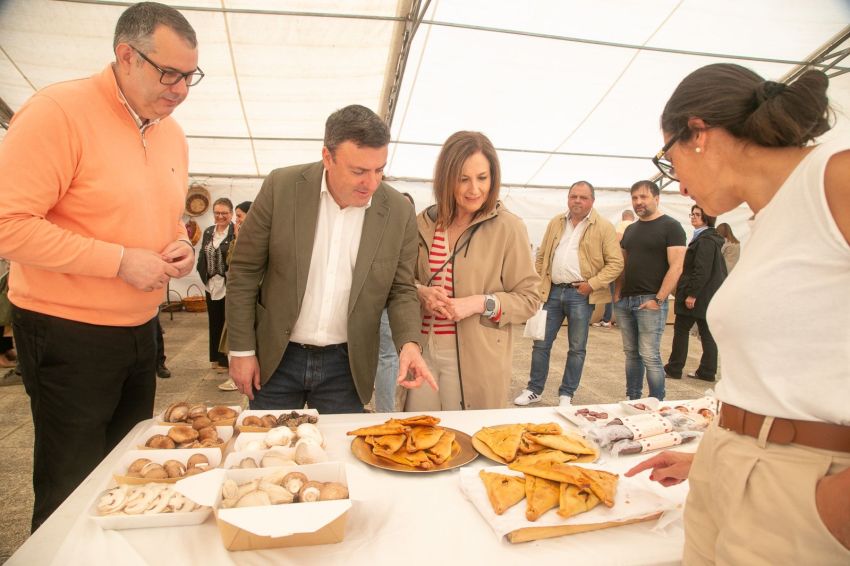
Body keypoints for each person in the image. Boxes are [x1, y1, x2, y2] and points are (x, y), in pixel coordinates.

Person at [626, 63, 850, 564]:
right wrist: (713, 453)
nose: (678, 185)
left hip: (804, 486)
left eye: (670, 159)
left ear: (698, 133)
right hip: (728, 464)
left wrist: (830, 508)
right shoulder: (762, 221)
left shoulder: (835, 175)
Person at [0, 2, 200, 531]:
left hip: (140, 332)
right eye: (170, 73)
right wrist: (116, 262)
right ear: (125, 56)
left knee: (129, 475)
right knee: (70, 486)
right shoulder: (57, 112)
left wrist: (179, 243)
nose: (181, 89)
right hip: (67, 333)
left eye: (190, 77)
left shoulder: (170, 131)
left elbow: (166, 217)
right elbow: (9, 224)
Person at [226, 105, 435, 414]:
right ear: (327, 157)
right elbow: (243, 270)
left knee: (338, 456)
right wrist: (241, 350)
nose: (372, 183)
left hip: (346, 365)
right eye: (359, 171)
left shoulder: (397, 210)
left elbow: (401, 288)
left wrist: (409, 344)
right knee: (268, 455)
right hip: (277, 357)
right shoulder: (281, 187)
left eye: (380, 170)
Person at [407, 131, 539, 411]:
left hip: (476, 359)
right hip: (423, 352)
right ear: (446, 178)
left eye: (482, 178)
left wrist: (479, 303)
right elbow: (402, 281)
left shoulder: (508, 227)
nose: (474, 189)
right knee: (418, 439)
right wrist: (421, 292)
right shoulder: (424, 223)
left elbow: (529, 298)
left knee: (466, 442)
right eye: (463, 179)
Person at [514, 181, 622, 407]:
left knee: (577, 347)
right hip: (552, 292)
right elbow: (542, 255)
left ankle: (567, 394)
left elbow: (616, 263)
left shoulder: (603, 226)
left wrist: (591, 284)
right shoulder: (556, 222)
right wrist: (539, 282)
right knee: (540, 343)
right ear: (568, 198)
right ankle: (534, 389)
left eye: (583, 197)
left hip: (581, 295)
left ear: (592, 201)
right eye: (574, 196)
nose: (577, 201)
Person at [613, 181, 686, 401]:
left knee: (649, 355)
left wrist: (659, 299)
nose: (638, 202)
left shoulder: (671, 226)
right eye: (634, 198)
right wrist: (618, 292)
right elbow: (623, 263)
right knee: (631, 355)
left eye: (643, 197)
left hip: (651, 300)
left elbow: (677, 265)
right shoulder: (631, 229)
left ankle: (656, 402)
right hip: (626, 300)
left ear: (656, 198)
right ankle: (633, 400)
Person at [663, 204, 726, 382]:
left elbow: (701, 270)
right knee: (706, 333)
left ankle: (674, 368)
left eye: (698, 215)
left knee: (682, 330)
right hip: (706, 295)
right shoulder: (709, 238)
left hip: (697, 295)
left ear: (707, 218)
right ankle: (707, 371)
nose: (693, 217)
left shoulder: (705, 240)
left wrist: (692, 294)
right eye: (692, 214)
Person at [373, 192, 415, 412]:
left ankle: (385, 412)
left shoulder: (407, 234)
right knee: (386, 358)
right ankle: (384, 412)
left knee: (387, 358)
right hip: (376, 302)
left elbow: (406, 280)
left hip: (391, 304)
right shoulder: (379, 229)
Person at [197, 197, 235, 388]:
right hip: (211, 283)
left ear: (231, 214)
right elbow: (202, 255)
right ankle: (216, 357)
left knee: (228, 322)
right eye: (217, 213)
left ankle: (227, 359)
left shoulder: (235, 232)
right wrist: (202, 273)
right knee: (214, 320)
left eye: (224, 213)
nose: (220, 216)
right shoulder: (209, 232)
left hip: (227, 283)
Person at [594, 209, 635, 328]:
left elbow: (616, 243)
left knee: (612, 292)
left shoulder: (622, 225)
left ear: (623, 217)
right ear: (632, 217)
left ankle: (607, 320)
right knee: (627, 294)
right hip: (632, 267)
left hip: (620, 266)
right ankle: (621, 320)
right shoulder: (637, 226)